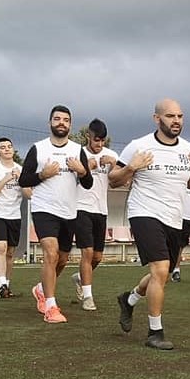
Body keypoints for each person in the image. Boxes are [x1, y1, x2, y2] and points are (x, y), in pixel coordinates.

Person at [111, 98, 190, 350]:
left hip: (174, 218)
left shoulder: (187, 148)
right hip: (144, 213)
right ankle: (155, 332)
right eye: (170, 116)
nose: (176, 121)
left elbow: (188, 184)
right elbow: (113, 179)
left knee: (162, 274)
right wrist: (132, 167)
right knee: (160, 268)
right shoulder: (139, 146)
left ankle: (129, 299)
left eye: (179, 116)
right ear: (157, 119)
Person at [18, 105, 93, 323]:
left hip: (69, 212)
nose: (61, 123)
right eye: (57, 119)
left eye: (66, 120)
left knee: (62, 259)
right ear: (49, 122)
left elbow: (87, 183)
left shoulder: (77, 150)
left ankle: (41, 289)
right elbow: (24, 180)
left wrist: (82, 171)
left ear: (70, 125)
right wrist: (42, 174)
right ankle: (51, 307)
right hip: (44, 210)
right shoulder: (38, 149)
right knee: (50, 254)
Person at [71, 119, 119, 311]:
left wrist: (114, 165)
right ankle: (88, 297)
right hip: (80, 207)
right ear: (88, 137)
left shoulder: (111, 155)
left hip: (101, 210)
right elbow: (68, 181)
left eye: (102, 141)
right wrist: (86, 169)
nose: (99, 144)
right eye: (96, 140)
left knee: (97, 258)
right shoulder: (78, 154)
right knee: (87, 252)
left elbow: (118, 182)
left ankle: (80, 278)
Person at [0, 138, 28, 298]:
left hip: (14, 214)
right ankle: (1, 283)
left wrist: (22, 180)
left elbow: (29, 194)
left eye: (9, 146)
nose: (7, 149)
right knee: (0, 246)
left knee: (10, 252)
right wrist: (6, 178)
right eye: (3, 147)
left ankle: (6, 286)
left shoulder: (21, 169)